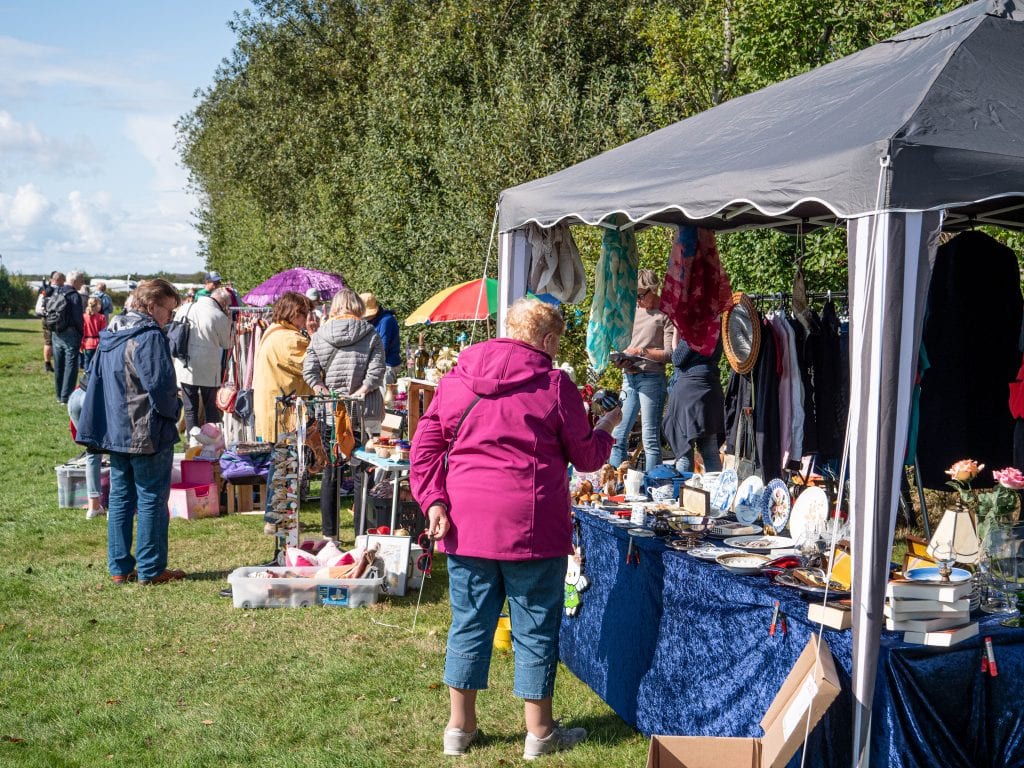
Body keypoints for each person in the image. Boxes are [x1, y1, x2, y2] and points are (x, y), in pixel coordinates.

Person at [410, 297, 621, 760]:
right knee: (535, 626)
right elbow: (587, 457)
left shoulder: (456, 379)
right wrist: (608, 426)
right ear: (546, 339)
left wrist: (434, 500)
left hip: (467, 522)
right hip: (532, 525)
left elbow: (424, 447)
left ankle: (458, 729)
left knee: (469, 623)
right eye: (557, 341)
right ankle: (539, 733)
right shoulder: (554, 384)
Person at [75, 279, 186, 586]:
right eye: (168, 311)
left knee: (122, 497)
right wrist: (174, 409)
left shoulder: (111, 332)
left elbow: (93, 378)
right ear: (151, 306)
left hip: (116, 428)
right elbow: (160, 385)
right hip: (145, 428)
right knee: (151, 497)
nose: (170, 318)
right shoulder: (149, 335)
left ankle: (120, 567)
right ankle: (151, 569)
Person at [303, 289, 386, 540]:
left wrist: (326, 394)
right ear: (358, 307)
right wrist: (360, 392)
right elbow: (377, 372)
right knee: (363, 473)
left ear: (335, 308)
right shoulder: (370, 333)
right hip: (364, 412)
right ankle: (362, 535)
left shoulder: (319, 335)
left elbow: (310, 372)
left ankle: (330, 535)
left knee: (331, 472)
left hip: (331, 412)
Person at [609, 269, 671, 470]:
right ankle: (615, 481)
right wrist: (622, 359)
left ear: (654, 290)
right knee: (618, 434)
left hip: (652, 379)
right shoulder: (632, 311)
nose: (637, 300)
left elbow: (669, 354)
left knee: (650, 438)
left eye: (641, 295)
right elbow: (624, 343)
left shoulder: (665, 314)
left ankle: (655, 483)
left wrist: (641, 351)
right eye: (634, 296)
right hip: (629, 376)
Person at [252, 291, 316, 443]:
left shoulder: (273, 330)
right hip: (285, 413)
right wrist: (314, 336)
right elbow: (313, 368)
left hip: (272, 408)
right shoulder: (290, 338)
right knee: (286, 455)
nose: (306, 319)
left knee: (274, 453)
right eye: (305, 314)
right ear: (295, 313)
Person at [663, 331, 726, 474]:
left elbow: (677, 359)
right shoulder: (716, 325)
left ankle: (684, 488)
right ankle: (715, 488)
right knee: (710, 450)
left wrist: (677, 332)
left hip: (690, 391)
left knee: (685, 451)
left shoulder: (695, 327)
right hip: (711, 388)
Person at [173, 287, 233, 432]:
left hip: (185, 364)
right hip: (208, 367)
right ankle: (211, 439)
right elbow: (227, 344)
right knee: (210, 407)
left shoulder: (185, 308)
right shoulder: (219, 316)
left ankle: (193, 439)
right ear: (224, 303)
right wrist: (229, 321)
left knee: (190, 407)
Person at [67, 370, 106, 519]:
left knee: (93, 451)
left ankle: (93, 507)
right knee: (117, 453)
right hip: (94, 399)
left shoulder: (101, 353)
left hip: (76, 396)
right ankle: (117, 506)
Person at [49, 270, 86, 404]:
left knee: (59, 364)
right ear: (75, 281)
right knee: (71, 365)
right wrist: (82, 333)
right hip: (71, 333)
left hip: (57, 331)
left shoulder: (57, 291)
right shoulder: (74, 295)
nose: (82, 283)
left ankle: (59, 395)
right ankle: (66, 397)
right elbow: (78, 317)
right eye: (81, 281)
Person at [360, 292, 402, 384]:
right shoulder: (372, 321)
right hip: (375, 364)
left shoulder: (386, 320)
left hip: (386, 366)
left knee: (384, 393)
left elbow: (383, 348)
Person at [80, 297, 107, 372]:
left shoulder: (83, 317)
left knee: (87, 362)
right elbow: (103, 333)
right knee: (97, 363)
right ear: (97, 305)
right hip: (98, 343)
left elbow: (82, 332)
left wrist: (81, 344)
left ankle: (87, 376)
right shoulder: (101, 317)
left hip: (87, 343)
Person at [38, 271, 58, 372]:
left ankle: (47, 364)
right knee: (55, 341)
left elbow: (39, 306)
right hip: (54, 318)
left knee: (48, 341)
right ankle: (53, 364)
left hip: (45, 317)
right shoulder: (57, 290)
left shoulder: (44, 289)